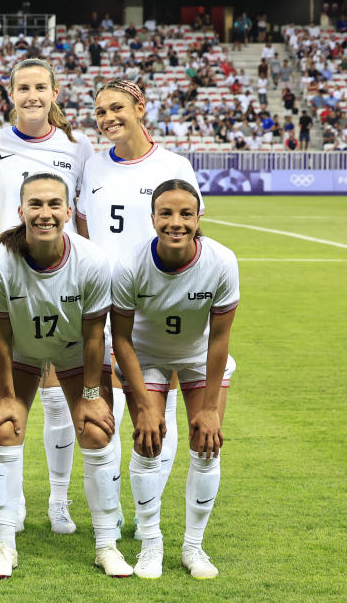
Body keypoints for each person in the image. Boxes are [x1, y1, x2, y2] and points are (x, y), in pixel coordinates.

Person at [76, 78, 204, 541]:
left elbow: (190, 234)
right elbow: (84, 232)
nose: (108, 117)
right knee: (100, 414)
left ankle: (142, 513)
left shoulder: (174, 165)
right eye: (100, 111)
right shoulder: (92, 167)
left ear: (140, 107)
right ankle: (107, 519)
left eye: (116, 107)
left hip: (154, 308)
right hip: (99, 305)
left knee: (155, 409)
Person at [0, 173, 121, 578]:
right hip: (21, 347)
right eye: (36, 205)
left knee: (95, 430)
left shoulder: (92, 260)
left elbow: (95, 337)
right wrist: (6, 395)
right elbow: (1, 335)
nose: (46, 213)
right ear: (20, 211)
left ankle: (106, 545)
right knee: (5, 427)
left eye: (54, 204)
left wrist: (92, 394)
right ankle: (4, 545)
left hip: (75, 348)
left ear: (68, 211)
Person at [0, 58, 95, 535]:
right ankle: (16, 502)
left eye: (40, 87)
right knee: (7, 395)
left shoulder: (77, 145)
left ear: (54, 91)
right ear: (10, 92)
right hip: (8, 283)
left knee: (57, 397)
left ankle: (59, 501)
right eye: (23, 87)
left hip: (62, 280)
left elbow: (82, 214)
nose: (32, 95)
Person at [111, 179, 238, 579]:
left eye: (185, 214)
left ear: (199, 218)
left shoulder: (221, 261)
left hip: (200, 357)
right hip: (145, 355)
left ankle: (193, 547)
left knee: (207, 445)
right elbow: (120, 338)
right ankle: (151, 544)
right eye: (166, 213)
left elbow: (219, 339)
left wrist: (212, 409)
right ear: (152, 218)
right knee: (148, 444)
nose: (176, 222)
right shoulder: (130, 264)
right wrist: (147, 405)